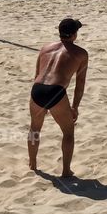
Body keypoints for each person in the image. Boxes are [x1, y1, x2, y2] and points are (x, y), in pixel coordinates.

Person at [28, 18, 89, 178]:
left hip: (37, 89)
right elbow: (80, 84)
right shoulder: (81, 53)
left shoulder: (45, 48)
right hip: (56, 91)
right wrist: (75, 107)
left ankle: (32, 164)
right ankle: (66, 171)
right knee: (68, 132)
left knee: (35, 128)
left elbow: (36, 74)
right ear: (75, 34)